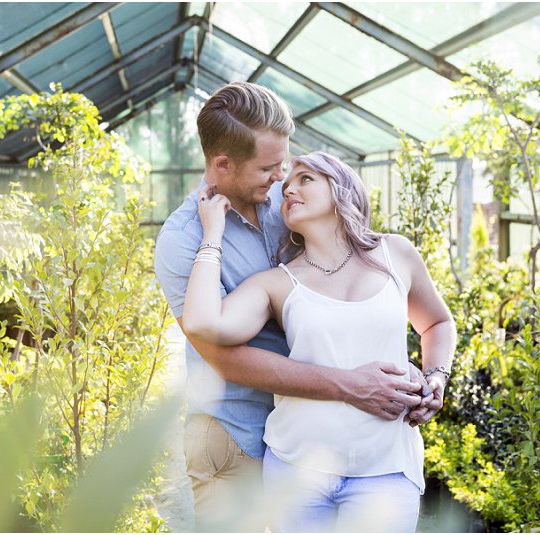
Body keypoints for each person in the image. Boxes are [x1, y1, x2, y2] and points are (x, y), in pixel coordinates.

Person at [154, 82, 440, 531]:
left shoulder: (289, 206)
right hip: (237, 429)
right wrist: (349, 385)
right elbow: (220, 355)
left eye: (289, 167)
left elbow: (422, 317)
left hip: (330, 439)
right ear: (223, 165)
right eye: (270, 168)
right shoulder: (183, 239)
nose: (282, 180)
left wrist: (432, 374)